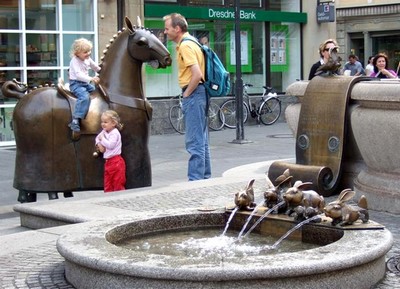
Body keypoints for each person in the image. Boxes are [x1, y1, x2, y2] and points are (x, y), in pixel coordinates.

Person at [163, 13, 211, 181]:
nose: (165, 32)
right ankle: (204, 178)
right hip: (200, 93)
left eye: (167, 28)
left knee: (194, 142)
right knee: (201, 140)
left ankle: (195, 181)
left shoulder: (185, 45)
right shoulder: (193, 42)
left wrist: (186, 94)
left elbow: (196, 74)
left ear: (177, 28)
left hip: (194, 93)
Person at [68, 38, 101, 134]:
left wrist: (101, 71)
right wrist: (91, 78)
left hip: (85, 83)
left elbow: (95, 67)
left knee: (96, 92)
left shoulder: (87, 59)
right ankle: (75, 120)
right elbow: (78, 75)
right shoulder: (74, 61)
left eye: (89, 51)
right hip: (76, 84)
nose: (88, 53)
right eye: (85, 52)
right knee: (84, 97)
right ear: (77, 53)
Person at [95, 110, 126, 192]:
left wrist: (102, 139)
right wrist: (99, 144)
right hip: (108, 162)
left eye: (105, 122)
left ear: (113, 123)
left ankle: (119, 199)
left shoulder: (115, 133)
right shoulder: (104, 131)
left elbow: (111, 146)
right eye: (102, 122)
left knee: (117, 184)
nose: (103, 124)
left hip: (116, 162)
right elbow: (97, 138)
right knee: (107, 185)